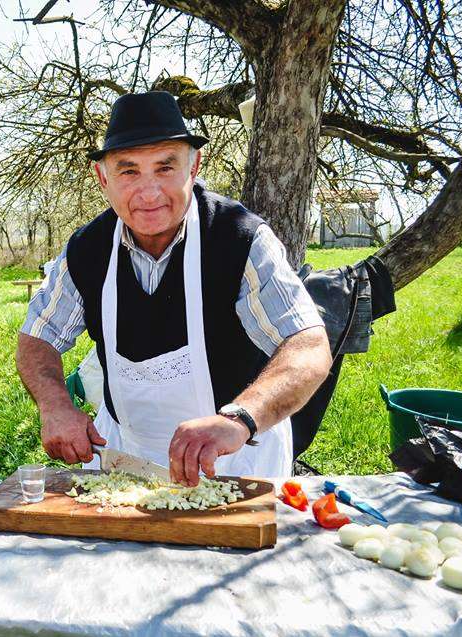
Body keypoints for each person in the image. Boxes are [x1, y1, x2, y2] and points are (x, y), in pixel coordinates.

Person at [16, 92, 332, 487]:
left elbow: (308, 345)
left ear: (194, 166)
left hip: (234, 460)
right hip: (125, 458)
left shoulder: (240, 237)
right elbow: (37, 338)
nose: (149, 194)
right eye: (128, 171)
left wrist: (241, 419)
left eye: (165, 168)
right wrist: (55, 404)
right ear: (103, 178)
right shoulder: (87, 249)